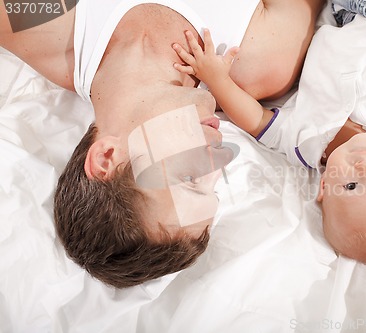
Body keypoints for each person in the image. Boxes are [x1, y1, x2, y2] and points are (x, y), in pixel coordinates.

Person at [0, 0, 325, 288]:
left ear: (106, 157)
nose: (218, 162)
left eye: (189, 179)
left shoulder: (50, 27)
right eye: (213, 186)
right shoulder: (256, 59)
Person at [172, 0, 366, 264]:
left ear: (324, 187)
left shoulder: (304, 145)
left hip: (342, 12)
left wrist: (217, 78)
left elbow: (257, 120)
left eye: (351, 187)